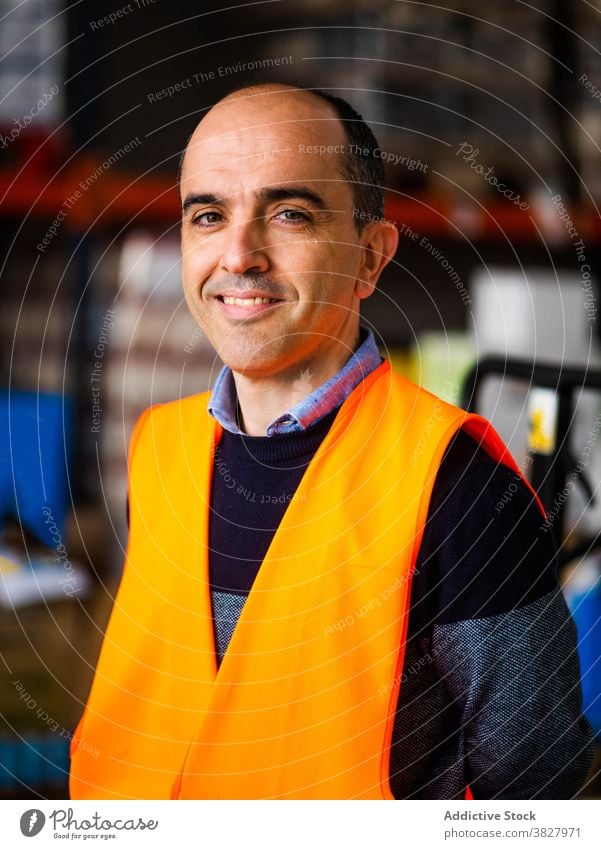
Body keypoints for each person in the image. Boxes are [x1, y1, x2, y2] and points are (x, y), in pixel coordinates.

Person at [70, 83, 593, 800]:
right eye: (208, 215)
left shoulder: (460, 485)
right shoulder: (160, 448)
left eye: (288, 213)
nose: (239, 255)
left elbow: (536, 786)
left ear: (370, 257)